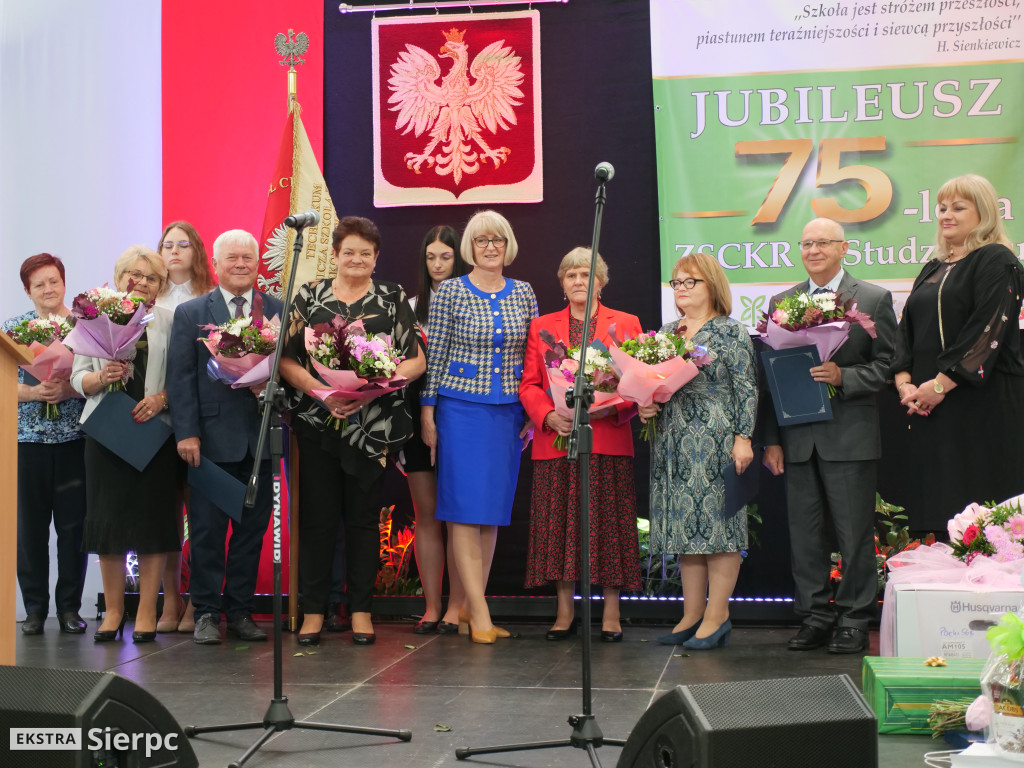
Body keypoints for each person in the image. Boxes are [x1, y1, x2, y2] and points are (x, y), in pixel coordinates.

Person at [280, 216, 425, 646]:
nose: (357, 259)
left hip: (372, 424)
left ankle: (361, 610)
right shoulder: (310, 296)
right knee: (318, 520)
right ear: (336, 255)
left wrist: (374, 387)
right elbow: (286, 361)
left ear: (376, 258)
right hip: (318, 421)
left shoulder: (392, 296)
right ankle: (313, 611)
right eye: (350, 252)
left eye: (366, 253)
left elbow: (416, 360)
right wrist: (322, 391)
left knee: (363, 521)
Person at [762, 218, 896, 654]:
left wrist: (844, 375)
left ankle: (855, 619)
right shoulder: (782, 301)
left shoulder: (873, 298)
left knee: (854, 532)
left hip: (850, 434)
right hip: (798, 437)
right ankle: (815, 617)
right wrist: (773, 439)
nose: (813, 249)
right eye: (806, 243)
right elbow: (771, 379)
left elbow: (888, 365)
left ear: (844, 248)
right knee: (804, 534)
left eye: (822, 242)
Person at [420, 209, 538, 644]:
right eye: (482, 240)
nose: (491, 247)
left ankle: (471, 607)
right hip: (460, 409)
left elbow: (533, 356)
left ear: (508, 245)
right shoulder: (450, 291)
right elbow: (436, 355)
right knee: (464, 514)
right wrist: (428, 410)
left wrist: (531, 407)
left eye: (498, 240)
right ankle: (481, 613)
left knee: (490, 515)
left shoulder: (523, 292)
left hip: (507, 411)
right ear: (470, 247)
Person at [519, 248, 643, 642]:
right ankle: (564, 610)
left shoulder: (625, 323)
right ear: (561, 282)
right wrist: (547, 416)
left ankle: (611, 611)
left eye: (586, 274)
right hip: (557, 440)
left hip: (606, 438)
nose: (578, 281)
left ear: (601, 282)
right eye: (570, 274)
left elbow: (638, 382)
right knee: (559, 526)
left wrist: (610, 408)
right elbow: (529, 384)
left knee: (608, 524)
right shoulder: (541, 325)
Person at [166, 229, 283, 645]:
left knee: (252, 533)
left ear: (256, 264)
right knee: (207, 532)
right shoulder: (192, 312)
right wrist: (187, 434)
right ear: (216, 263)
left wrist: (267, 388)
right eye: (232, 257)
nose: (240, 264)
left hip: (261, 442)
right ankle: (207, 613)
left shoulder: (278, 309)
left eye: (247, 258)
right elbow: (179, 380)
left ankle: (240, 610)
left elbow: (290, 373)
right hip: (210, 442)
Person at [891, 174, 1024, 530]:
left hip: (981, 407)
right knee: (937, 507)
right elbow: (906, 331)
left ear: (983, 213)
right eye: (942, 207)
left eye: (958, 207)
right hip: (929, 408)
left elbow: (987, 331)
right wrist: (905, 383)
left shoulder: (998, 261)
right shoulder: (933, 267)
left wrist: (937, 387)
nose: (946, 215)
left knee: (982, 512)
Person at [639, 252, 757, 651]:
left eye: (691, 282)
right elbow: (653, 383)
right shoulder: (667, 331)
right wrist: (645, 403)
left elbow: (746, 388)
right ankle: (691, 614)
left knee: (718, 529)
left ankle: (717, 615)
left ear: (712, 286)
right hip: (671, 438)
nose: (682, 290)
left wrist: (744, 437)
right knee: (684, 528)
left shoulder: (730, 332)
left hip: (716, 438)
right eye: (676, 283)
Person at [70, 246, 179, 642]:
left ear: (160, 287)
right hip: (106, 433)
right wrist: (103, 378)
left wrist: (162, 399)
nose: (141, 283)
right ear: (118, 280)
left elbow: (185, 378)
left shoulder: (170, 320)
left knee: (153, 523)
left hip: (155, 434)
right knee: (108, 522)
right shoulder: (92, 318)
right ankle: (114, 611)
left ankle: (148, 609)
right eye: (133, 275)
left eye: (151, 278)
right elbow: (76, 379)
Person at [5, 254, 88, 636]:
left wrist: (68, 388)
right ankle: (35, 608)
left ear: (64, 283)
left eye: (53, 281)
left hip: (75, 441)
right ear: (27, 290)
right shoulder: (13, 330)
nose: (48, 290)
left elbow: (99, 381)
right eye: (39, 284)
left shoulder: (85, 328)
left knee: (74, 529)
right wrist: (36, 391)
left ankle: (70, 607)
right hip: (28, 445)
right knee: (30, 530)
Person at [405, 225, 469, 634]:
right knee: (425, 515)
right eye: (431, 257)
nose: (438, 264)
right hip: (415, 418)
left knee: (460, 516)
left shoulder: (471, 304)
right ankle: (431, 606)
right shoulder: (410, 307)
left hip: (463, 414)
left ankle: (459, 606)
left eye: (446, 256)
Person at [154, 221, 216, 634]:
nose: (174, 251)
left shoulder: (210, 301)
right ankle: (169, 599)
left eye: (182, 244)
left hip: (200, 419)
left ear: (197, 251)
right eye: (166, 245)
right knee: (166, 513)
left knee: (203, 513)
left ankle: (200, 599)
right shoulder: (143, 300)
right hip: (155, 423)